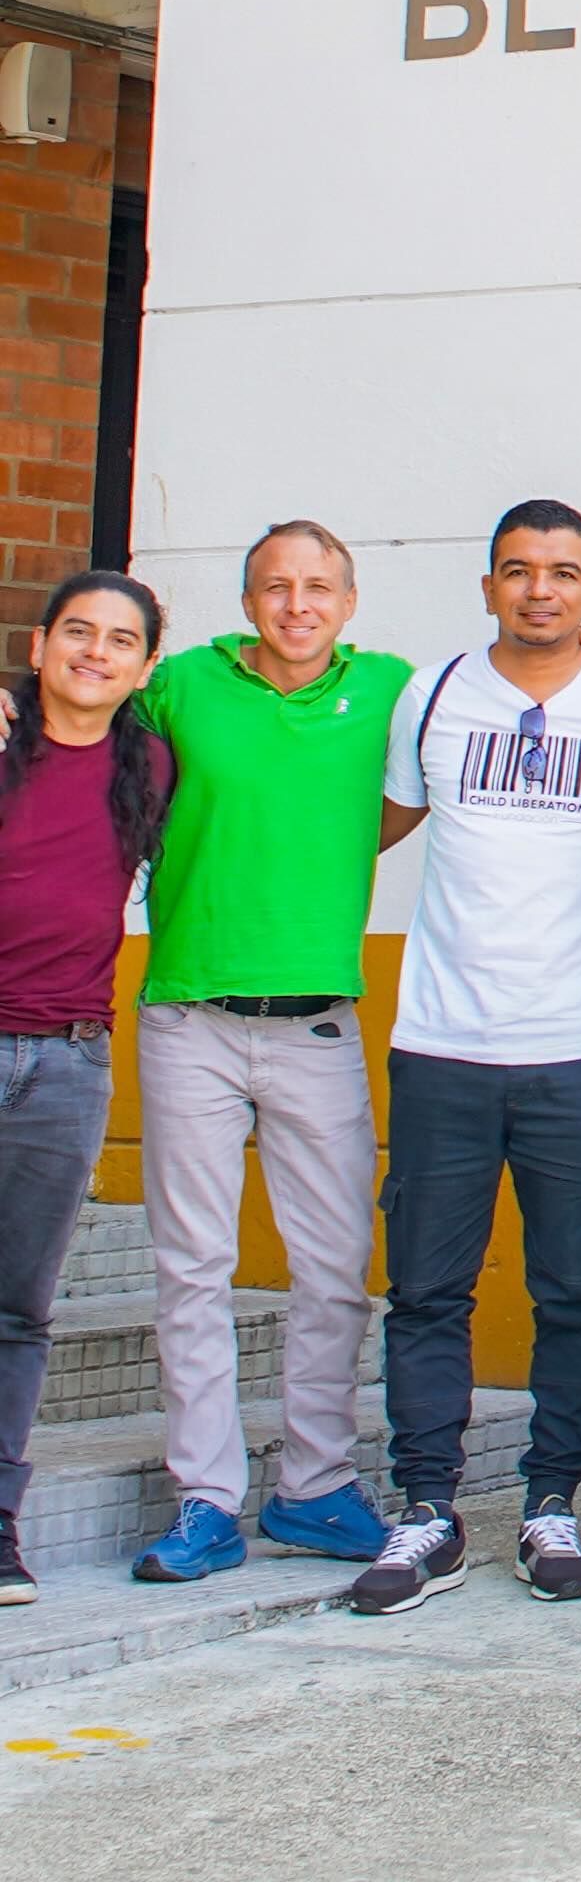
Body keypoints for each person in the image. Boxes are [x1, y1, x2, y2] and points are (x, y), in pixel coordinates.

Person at [350, 500, 581, 1618]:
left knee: (574, 1290)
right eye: (518, 571)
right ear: (487, 585)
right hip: (441, 1041)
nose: (541, 590)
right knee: (426, 1289)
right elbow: (364, 826)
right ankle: (426, 1509)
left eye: (563, 573)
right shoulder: (431, 697)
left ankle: (549, 1504)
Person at [117, 523, 410, 1585]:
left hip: (320, 1023)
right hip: (189, 1013)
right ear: (247, 599)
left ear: (348, 598)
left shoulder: (387, 688)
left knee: (334, 1267)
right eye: (277, 586)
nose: (297, 603)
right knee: (191, 1268)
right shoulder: (182, 685)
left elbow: (486, 721)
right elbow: (82, 729)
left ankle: (315, 1484)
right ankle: (205, 1499)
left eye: (318, 586)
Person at [0, 575, 172, 1604]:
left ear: (147, 665)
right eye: (78, 633)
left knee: (18, 1310)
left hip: (67, 1063)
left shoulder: (149, 762)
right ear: (40, 642)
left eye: (121, 640)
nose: (95, 653)